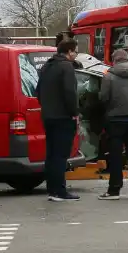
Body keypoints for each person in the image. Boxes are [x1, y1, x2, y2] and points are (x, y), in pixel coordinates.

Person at [98, 49, 128, 200]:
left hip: (115, 120)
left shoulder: (109, 75)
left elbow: (103, 98)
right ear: (127, 59)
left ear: (114, 60)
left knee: (115, 155)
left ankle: (114, 190)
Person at [36, 38, 82, 202]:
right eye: (75, 51)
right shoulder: (66, 67)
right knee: (61, 155)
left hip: (48, 117)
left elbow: (38, 91)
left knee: (51, 154)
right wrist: (74, 113)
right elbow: (70, 93)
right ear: (69, 51)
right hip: (63, 117)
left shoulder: (47, 66)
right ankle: (60, 191)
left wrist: (47, 107)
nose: (76, 54)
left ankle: (52, 189)